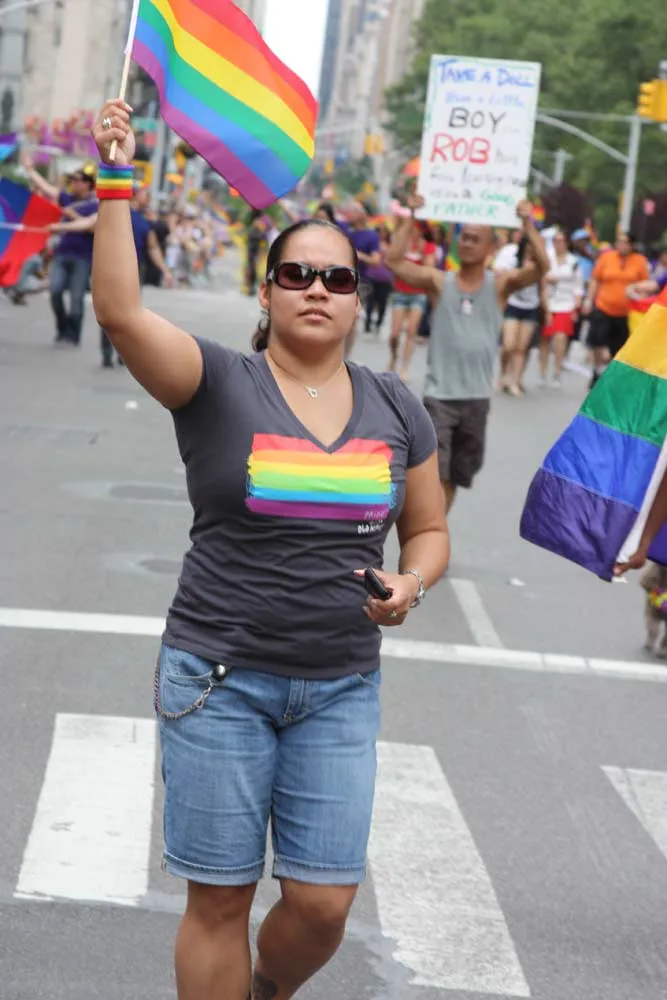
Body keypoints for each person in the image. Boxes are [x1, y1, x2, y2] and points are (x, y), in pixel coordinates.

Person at [91, 98, 450, 1000]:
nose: (316, 290)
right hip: (218, 679)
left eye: (335, 278)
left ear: (357, 297)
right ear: (267, 291)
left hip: (339, 687)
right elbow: (120, 311)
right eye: (296, 274)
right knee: (219, 899)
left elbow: (430, 529)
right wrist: (116, 176)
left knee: (323, 905)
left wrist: (410, 583)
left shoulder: (395, 404)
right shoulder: (217, 382)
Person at [387, 192, 549, 513]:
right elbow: (394, 261)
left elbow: (542, 267)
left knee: (456, 476)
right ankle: (430, 531)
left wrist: (527, 223)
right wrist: (412, 217)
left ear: (490, 248)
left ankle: (435, 527)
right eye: (464, 237)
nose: (467, 243)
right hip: (440, 395)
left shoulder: (500, 285)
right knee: (436, 473)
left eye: (475, 239)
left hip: (476, 398)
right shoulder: (438, 282)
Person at [22, 155, 98, 345]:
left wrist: (71, 215)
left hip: (82, 257)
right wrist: (30, 170)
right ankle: (62, 328)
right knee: (55, 291)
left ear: (88, 184)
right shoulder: (66, 198)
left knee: (76, 298)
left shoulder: (95, 205)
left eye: (77, 180)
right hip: (62, 253)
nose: (73, 183)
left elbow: (92, 227)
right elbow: (47, 188)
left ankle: (73, 335)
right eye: (72, 180)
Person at [584, 231, 649, 387]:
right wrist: (588, 300)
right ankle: (597, 370)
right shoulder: (606, 258)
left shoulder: (639, 261)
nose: (621, 245)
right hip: (603, 306)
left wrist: (639, 296)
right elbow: (595, 279)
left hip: (625, 312)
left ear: (632, 245)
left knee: (618, 346)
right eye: (619, 241)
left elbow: (645, 284)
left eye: (625, 242)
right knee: (598, 340)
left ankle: (611, 376)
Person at [494, 234, 547, 396]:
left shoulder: (539, 264)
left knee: (521, 348)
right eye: (530, 244)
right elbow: (499, 274)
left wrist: (546, 309)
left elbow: (543, 287)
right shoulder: (512, 257)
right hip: (512, 304)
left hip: (530, 306)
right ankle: (503, 373)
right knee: (508, 345)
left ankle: (515, 381)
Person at [387, 222, 435, 381]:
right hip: (400, 292)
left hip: (418, 294)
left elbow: (429, 270)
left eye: (419, 230)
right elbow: (392, 261)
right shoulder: (403, 244)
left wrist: (421, 254)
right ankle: (393, 357)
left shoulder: (428, 247)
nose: (416, 232)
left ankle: (404, 367)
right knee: (394, 334)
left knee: (411, 331)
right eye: (413, 229)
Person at [539, 231, 583, 388]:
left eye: (561, 241)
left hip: (565, 304)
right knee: (545, 339)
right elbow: (541, 278)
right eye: (555, 241)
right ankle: (542, 373)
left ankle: (557, 372)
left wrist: (577, 306)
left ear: (567, 243)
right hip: (547, 302)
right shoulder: (547, 258)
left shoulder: (573, 261)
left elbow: (578, 286)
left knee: (560, 338)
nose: (558, 244)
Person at [364, 224, 393, 334]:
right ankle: (367, 322)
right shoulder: (373, 244)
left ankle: (379, 322)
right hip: (372, 276)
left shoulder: (391, 245)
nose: (382, 234)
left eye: (384, 232)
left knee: (382, 302)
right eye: (380, 231)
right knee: (370, 301)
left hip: (385, 278)